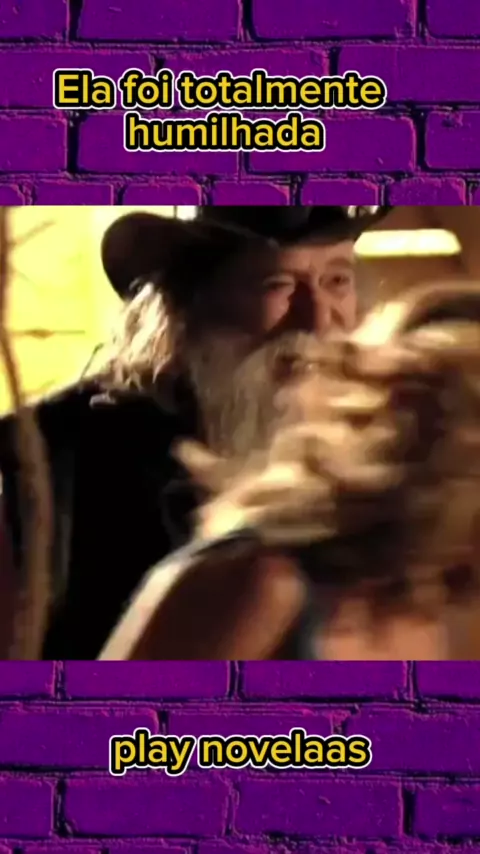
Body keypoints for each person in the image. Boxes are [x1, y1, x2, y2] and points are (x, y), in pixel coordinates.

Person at [0, 205, 390, 659]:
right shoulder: (61, 457)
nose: (318, 318)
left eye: (337, 280)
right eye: (278, 284)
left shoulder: (379, 455)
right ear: (191, 301)